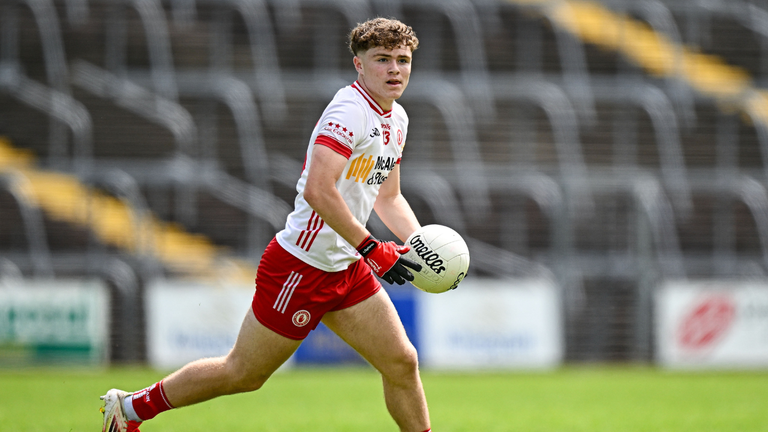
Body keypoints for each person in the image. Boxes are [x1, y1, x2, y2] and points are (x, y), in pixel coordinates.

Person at [100, 17, 433, 432]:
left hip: (345, 265)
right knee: (243, 374)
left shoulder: (396, 119)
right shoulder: (349, 111)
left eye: (403, 60)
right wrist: (371, 247)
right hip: (301, 267)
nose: (395, 69)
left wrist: (422, 244)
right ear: (359, 64)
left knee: (402, 361)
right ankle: (130, 408)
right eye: (382, 59)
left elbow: (388, 197)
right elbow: (318, 190)